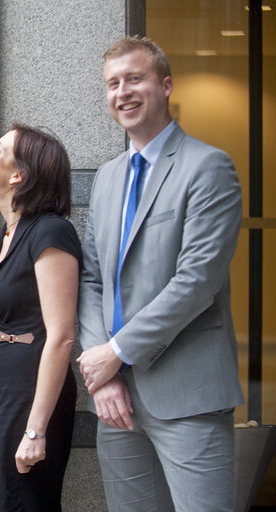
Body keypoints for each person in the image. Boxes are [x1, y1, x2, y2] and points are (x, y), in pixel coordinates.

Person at [77, 36, 243, 511]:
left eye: (134, 78)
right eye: (112, 83)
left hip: (187, 394)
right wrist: (101, 369)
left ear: (165, 85)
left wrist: (118, 350)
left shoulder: (208, 167)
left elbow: (197, 281)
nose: (122, 92)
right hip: (115, 399)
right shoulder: (108, 177)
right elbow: (91, 279)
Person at [0, 123, 80, 511]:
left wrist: (36, 429)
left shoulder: (51, 233)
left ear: (18, 175)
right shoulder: (9, 234)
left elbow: (60, 336)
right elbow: (0, 339)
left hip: (32, 395)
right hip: (2, 391)